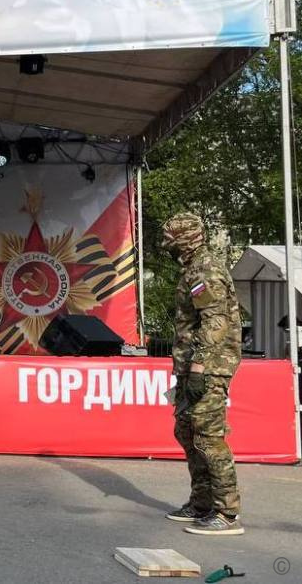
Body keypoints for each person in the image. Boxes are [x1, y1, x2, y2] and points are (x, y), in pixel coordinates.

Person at [161, 212, 243, 536]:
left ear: (184, 241)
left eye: (170, 240)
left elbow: (215, 322)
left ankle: (226, 512)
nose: (165, 246)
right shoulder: (192, 268)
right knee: (186, 431)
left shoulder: (205, 269)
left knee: (208, 437)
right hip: (191, 366)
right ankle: (202, 503)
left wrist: (198, 368)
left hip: (209, 367)